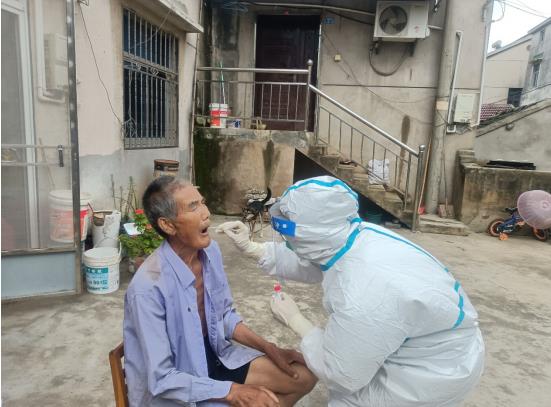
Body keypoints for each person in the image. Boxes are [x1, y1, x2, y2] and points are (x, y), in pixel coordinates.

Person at [217, 175, 485, 407]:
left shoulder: (365, 292)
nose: (286, 240)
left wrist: (296, 321)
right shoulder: (353, 235)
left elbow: (341, 372)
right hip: (433, 341)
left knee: (349, 398)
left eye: (287, 230)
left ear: (310, 234)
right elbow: (319, 260)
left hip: (430, 370)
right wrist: (254, 249)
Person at [123, 176, 317, 407]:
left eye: (202, 202)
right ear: (168, 225)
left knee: (305, 375)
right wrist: (232, 392)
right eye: (193, 207)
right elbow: (162, 378)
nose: (206, 213)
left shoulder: (210, 252)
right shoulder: (147, 288)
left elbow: (224, 316)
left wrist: (268, 347)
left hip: (215, 355)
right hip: (180, 380)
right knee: (260, 400)